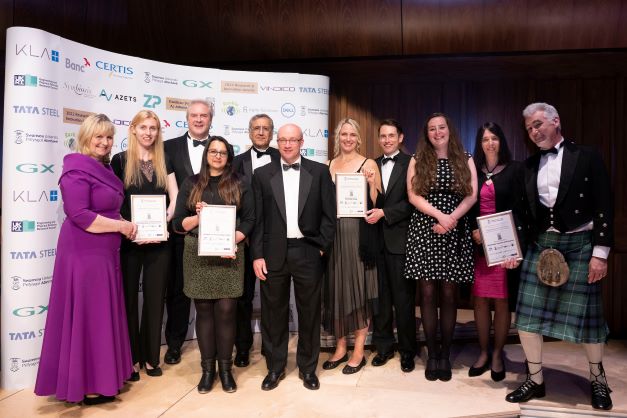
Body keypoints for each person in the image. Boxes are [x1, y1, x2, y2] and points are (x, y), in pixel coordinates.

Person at [505, 103, 614, 410]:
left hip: (579, 245)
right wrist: (514, 251)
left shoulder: (587, 156)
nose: (534, 131)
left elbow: (604, 204)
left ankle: (598, 379)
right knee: (527, 320)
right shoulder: (527, 166)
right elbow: (521, 215)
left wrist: (600, 254)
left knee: (589, 323)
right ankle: (535, 379)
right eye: (529, 128)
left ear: (556, 121)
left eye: (538, 124)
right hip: (540, 246)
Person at [34, 114, 137, 404]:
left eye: (109, 137)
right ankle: (88, 384)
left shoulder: (104, 167)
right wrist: (121, 227)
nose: (104, 143)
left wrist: (122, 224)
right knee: (90, 316)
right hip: (84, 252)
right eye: (98, 137)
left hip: (105, 254)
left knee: (101, 315)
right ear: (85, 137)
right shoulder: (75, 169)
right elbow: (80, 215)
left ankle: (105, 377)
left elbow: (107, 210)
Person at [252, 123, 336, 391]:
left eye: (293, 140)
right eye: (283, 140)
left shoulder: (319, 172)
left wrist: (321, 246)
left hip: (308, 251)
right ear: (277, 142)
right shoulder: (261, 174)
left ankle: (308, 368)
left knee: (309, 313)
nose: (287, 145)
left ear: (302, 142)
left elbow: (329, 214)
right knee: (273, 314)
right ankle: (275, 368)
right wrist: (257, 255)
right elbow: (257, 219)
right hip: (272, 253)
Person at [171, 136, 255, 393]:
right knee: (204, 311)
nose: (217, 156)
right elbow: (178, 224)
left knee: (228, 310)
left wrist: (231, 241)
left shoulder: (241, 183)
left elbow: (249, 219)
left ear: (229, 157)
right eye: (213, 151)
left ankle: (226, 370)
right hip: (198, 255)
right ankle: (208, 370)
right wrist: (198, 217)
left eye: (222, 152)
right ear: (206, 154)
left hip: (230, 254)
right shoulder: (191, 183)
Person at [405, 112, 477, 382]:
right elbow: (412, 195)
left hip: (454, 228)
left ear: (449, 129)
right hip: (425, 228)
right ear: (427, 134)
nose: (437, 132)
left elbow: (472, 195)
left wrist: (451, 219)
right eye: (432, 129)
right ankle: (432, 353)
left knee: (449, 293)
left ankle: (445, 354)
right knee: (426, 294)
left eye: (441, 127)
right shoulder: (417, 158)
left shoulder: (465, 158)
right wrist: (439, 216)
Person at [111, 110, 178, 380]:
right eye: (143, 127)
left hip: (159, 241)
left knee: (154, 299)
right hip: (129, 240)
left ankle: (151, 358)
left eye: (153, 128)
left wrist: (163, 221)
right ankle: (131, 360)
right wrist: (126, 226)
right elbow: (112, 201)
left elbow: (175, 197)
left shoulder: (164, 159)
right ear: (133, 129)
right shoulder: (119, 160)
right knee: (128, 299)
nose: (148, 133)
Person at [322, 118, 381, 374]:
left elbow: (376, 201)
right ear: (338, 137)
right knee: (337, 290)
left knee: (359, 290)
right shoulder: (327, 165)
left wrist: (370, 183)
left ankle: (358, 350)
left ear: (358, 138)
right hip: (333, 236)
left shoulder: (369, 164)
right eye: (343, 134)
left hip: (358, 236)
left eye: (352, 134)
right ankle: (340, 347)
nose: (347, 138)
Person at [467, 122, 524, 382]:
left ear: (501, 141)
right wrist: (473, 230)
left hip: (504, 247)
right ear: (479, 144)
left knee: (501, 301)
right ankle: (483, 352)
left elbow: (521, 209)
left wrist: (516, 244)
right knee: (479, 300)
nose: (490, 143)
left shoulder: (515, 170)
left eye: (494, 138)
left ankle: (498, 354)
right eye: (485, 139)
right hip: (480, 247)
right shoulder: (473, 171)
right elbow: (467, 205)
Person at [163, 99, 214, 365]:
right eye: (194, 115)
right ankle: (174, 344)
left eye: (204, 115)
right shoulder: (168, 147)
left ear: (210, 119)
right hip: (181, 231)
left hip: (215, 232)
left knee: (215, 290)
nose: (198, 119)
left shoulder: (220, 147)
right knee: (178, 291)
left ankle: (217, 345)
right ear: (187, 118)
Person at [366, 119, 417, 373]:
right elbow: (368, 202)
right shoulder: (371, 164)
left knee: (403, 299)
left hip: (400, 241)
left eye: (391, 135)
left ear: (400, 137)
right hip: (376, 242)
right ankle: (383, 347)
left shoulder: (411, 163)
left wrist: (385, 213)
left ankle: (408, 351)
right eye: (383, 136)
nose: (386, 140)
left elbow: (413, 201)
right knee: (381, 299)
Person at [232, 114, 280, 367]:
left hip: (273, 240)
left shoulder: (283, 158)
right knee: (242, 298)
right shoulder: (235, 162)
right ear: (249, 132)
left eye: (266, 129)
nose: (261, 132)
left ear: (272, 133)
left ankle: (271, 347)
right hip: (243, 240)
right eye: (257, 128)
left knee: (273, 299)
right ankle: (242, 347)